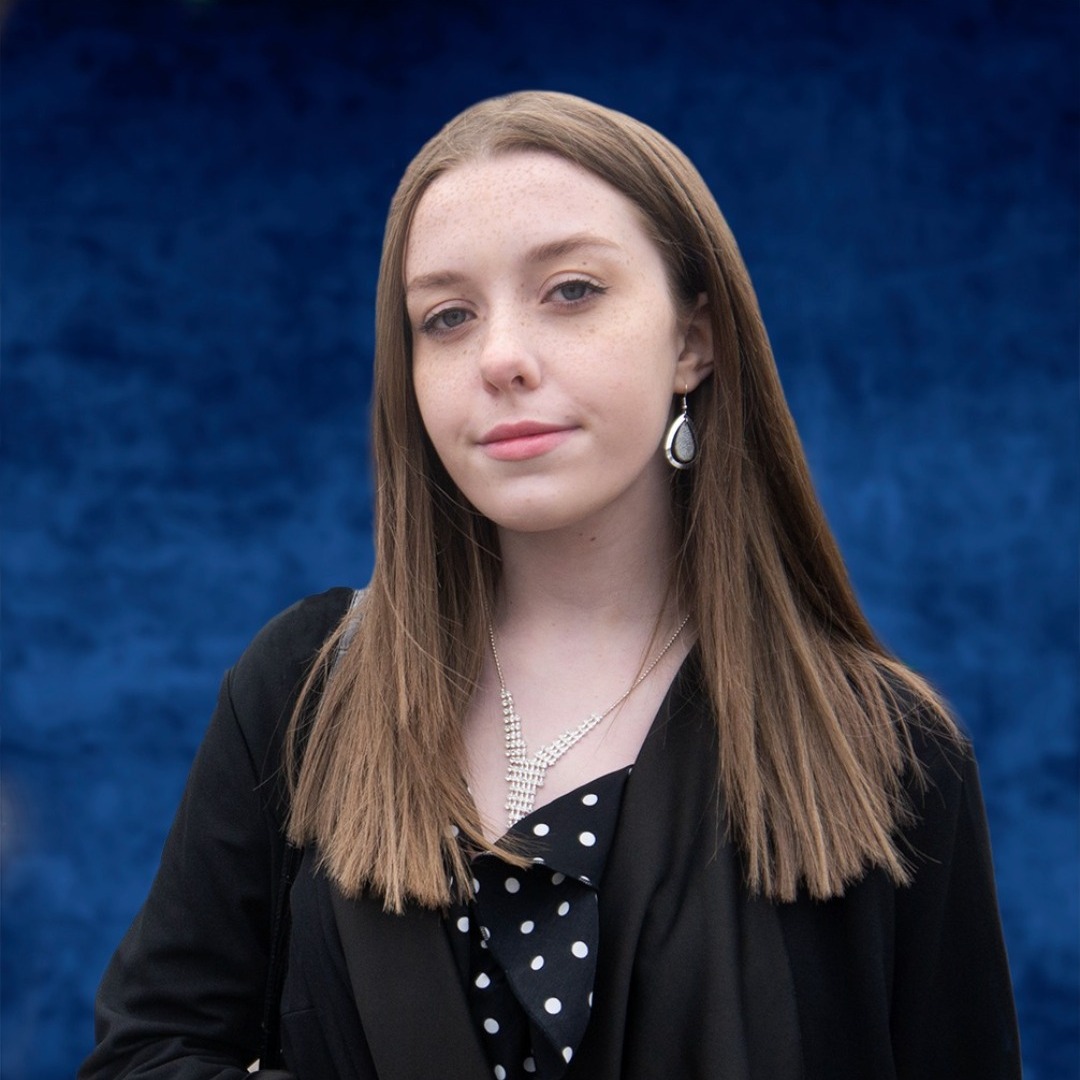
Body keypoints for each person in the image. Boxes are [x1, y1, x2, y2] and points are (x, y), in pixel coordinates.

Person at [80, 91, 1021, 1079]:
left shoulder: (886, 751)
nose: (500, 359)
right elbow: (149, 1053)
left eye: (571, 291)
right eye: (445, 317)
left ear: (694, 341)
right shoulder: (303, 690)